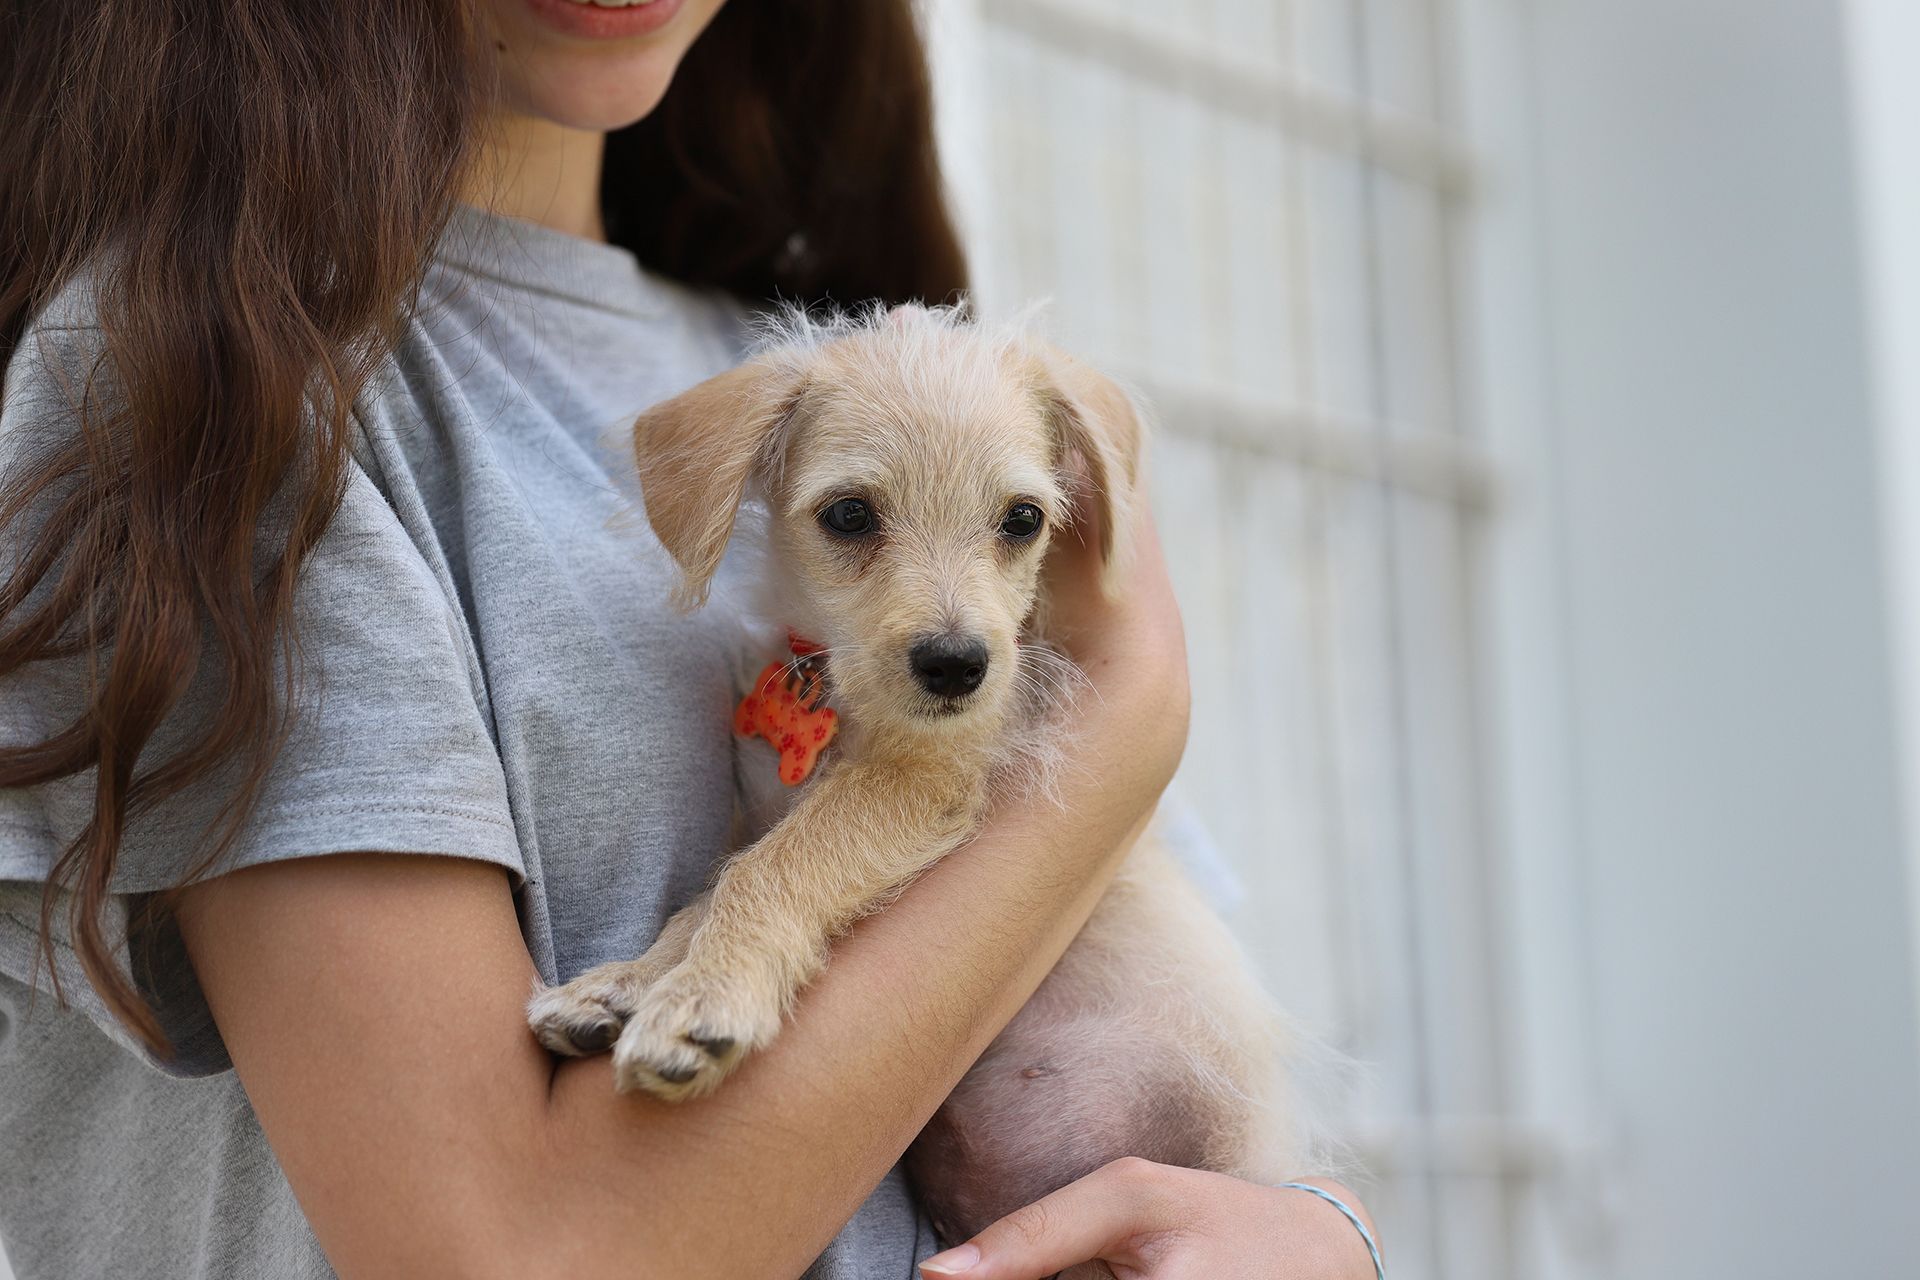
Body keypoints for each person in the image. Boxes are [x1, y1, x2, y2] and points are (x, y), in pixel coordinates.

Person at [0, 2, 1380, 1276]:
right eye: (852, 523)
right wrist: (1134, 709)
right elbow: (512, 1257)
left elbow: (1155, 1019)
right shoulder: (195, 386)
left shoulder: (831, 359)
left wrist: (1330, 1234)